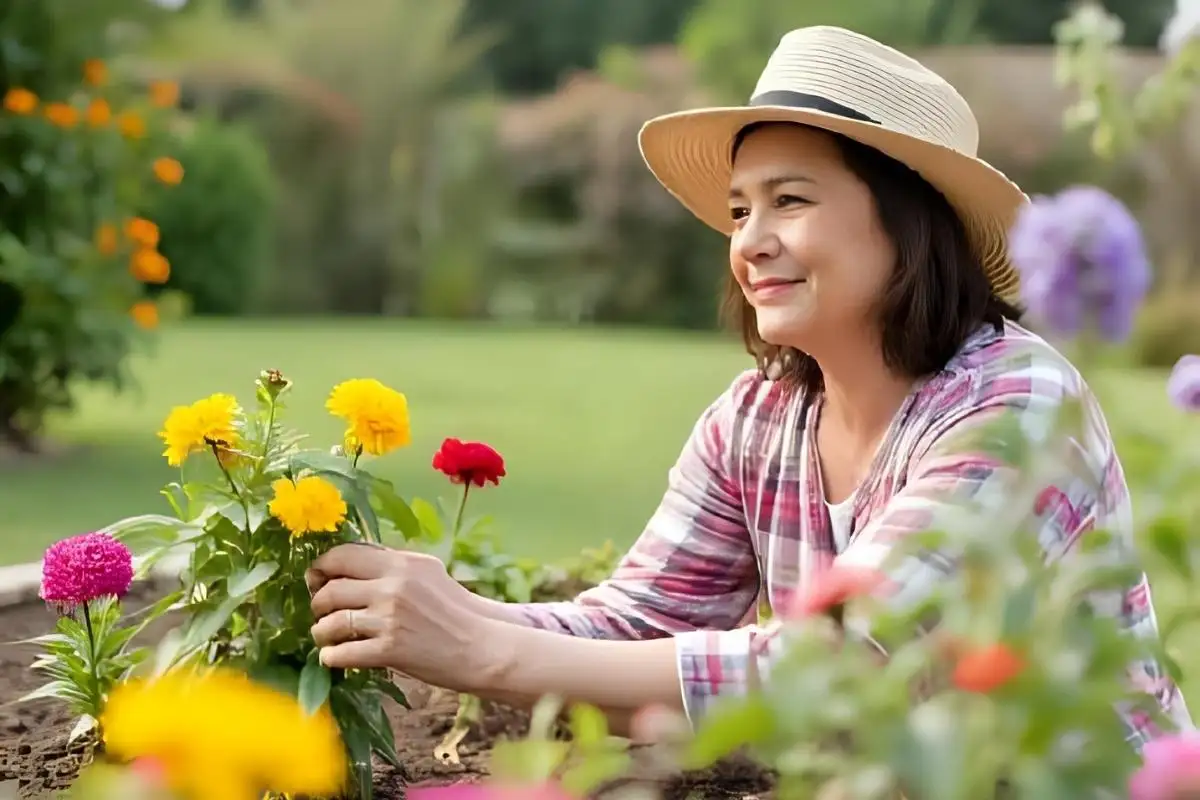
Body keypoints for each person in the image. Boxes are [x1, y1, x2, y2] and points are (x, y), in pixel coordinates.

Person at [305, 26, 1190, 744]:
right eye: (738, 210)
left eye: (790, 201)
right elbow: (641, 625)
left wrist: (482, 650)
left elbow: (846, 661)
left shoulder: (1017, 408)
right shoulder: (758, 419)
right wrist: (447, 613)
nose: (750, 241)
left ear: (908, 223)